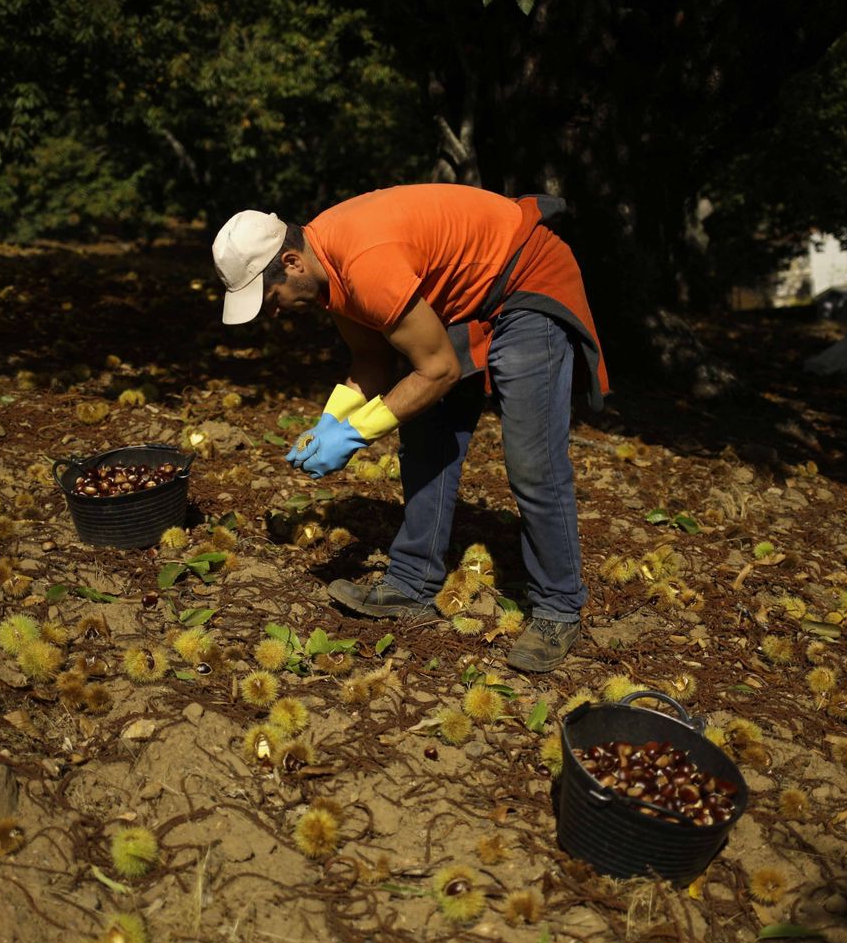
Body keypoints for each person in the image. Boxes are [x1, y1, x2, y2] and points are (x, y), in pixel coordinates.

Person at [211, 183, 608, 673]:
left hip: (524, 279)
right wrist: (329, 422)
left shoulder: (364, 265)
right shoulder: (327, 270)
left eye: (269, 296)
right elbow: (371, 358)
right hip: (464, 296)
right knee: (425, 437)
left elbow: (436, 369)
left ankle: (558, 607)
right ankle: (412, 583)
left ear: (292, 262)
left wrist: (356, 436)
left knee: (532, 460)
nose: (271, 312)